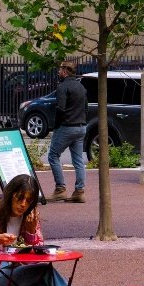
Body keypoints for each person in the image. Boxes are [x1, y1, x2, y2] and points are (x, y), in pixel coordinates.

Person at [47, 62, 87, 203]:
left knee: (53, 156)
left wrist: (56, 126)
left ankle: (60, 189)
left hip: (67, 126)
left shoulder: (63, 87)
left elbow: (60, 109)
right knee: (78, 161)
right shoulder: (81, 86)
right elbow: (85, 107)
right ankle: (79, 192)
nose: (58, 71)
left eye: (59, 69)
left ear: (65, 71)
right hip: (81, 127)